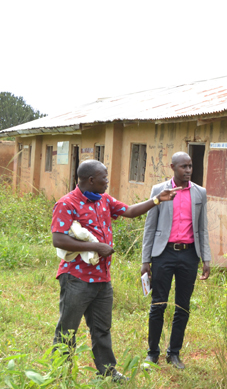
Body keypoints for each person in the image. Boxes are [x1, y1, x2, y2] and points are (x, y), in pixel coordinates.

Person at [51, 159, 180, 381]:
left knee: (101, 329)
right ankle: (59, 374)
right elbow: (58, 239)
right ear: (91, 180)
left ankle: (108, 372)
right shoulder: (67, 204)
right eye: (104, 178)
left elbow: (129, 211)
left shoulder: (103, 200)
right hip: (76, 279)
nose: (107, 181)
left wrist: (158, 199)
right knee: (67, 330)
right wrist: (95, 246)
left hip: (102, 279)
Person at [141, 152, 211, 370]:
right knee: (158, 304)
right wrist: (146, 260)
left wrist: (206, 258)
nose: (188, 170)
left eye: (190, 166)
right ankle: (153, 353)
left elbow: (202, 228)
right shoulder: (159, 191)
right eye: (183, 166)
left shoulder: (200, 192)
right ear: (172, 167)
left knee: (183, 306)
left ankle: (174, 353)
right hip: (163, 254)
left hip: (189, 255)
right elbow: (150, 226)